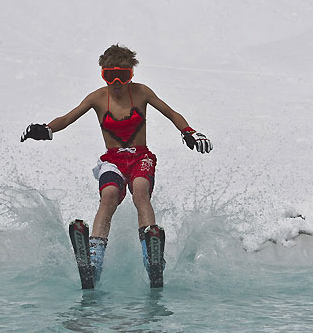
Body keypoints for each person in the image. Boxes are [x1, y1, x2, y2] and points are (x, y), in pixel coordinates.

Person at [20, 44, 212, 287]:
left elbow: (171, 113)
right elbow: (68, 118)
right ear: (103, 74)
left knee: (141, 192)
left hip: (141, 157)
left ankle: (151, 254)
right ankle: (94, 258)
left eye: (124, 75)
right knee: (108, 196)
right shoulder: (97, 98)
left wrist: (190, 132)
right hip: (112, 160)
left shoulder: (142, 93)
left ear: (132, 74)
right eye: (111, 76)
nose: (118, 82)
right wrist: (46, 129)